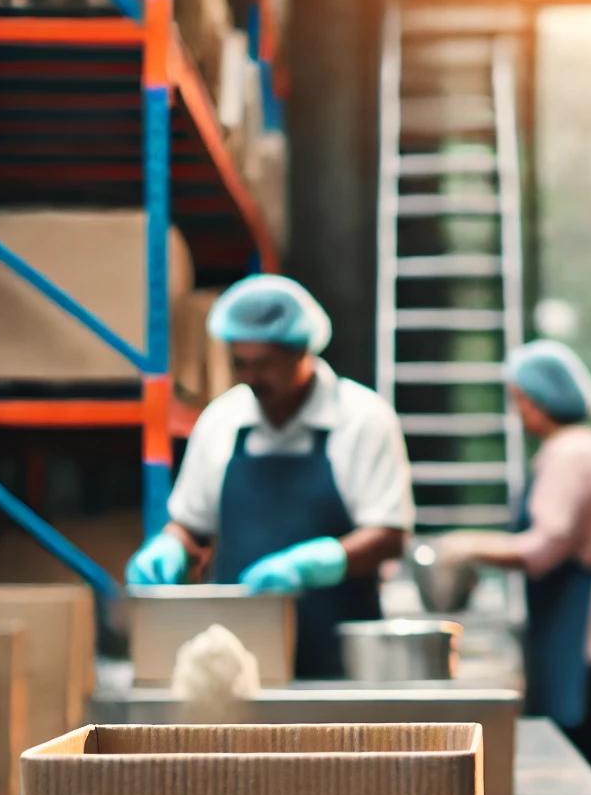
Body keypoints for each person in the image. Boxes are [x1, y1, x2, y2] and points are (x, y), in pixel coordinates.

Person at [125, 275, 414, 679]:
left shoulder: (363, 419)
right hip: (239, 664)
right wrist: (169, 547)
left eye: (264, 365)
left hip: (335, 660)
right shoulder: (222, 420)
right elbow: (192, 525)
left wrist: (314, 565)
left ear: (302, 354)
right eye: (239, 363)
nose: (250, 377)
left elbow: (389, 535)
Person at [433, 340, 591, 787]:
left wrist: (466, 546)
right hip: (582, 611)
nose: (518, 412)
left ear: (542, 401)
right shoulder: (577, 446)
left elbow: (545, 547)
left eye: (520, 401)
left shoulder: (571, 452)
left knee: (585, 744)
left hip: (585, 619)